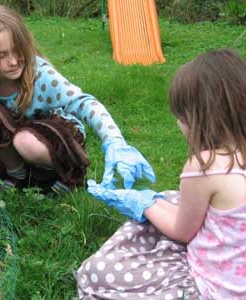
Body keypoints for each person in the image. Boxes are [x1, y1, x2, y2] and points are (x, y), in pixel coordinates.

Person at [0, 5, 155, 194]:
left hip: (58, 137)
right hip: (24, 138)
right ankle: (19, 175)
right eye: (1, 55)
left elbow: (83, 102)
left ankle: (68, 174)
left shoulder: (41, 76)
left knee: (24, 141)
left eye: (18, 49)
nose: (14, 60)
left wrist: (114, 141)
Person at [76, 49, 246, 299]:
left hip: (214, 288)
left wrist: (142, 203)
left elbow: (181, 232)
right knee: (169, 197)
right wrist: (155, 200)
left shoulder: (204, 166)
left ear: (199, 117)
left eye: (181, 116)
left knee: (99, 271)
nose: (178, 124)